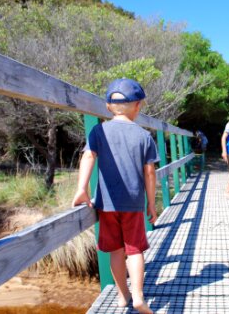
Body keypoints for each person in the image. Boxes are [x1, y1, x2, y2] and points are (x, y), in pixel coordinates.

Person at [72, 78, 159, 313]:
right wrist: (151, 204)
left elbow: (88, 156)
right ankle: (139, 296)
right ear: (138, 106)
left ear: (108, 106)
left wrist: (82, 188)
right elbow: (150, 173)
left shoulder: (98, 131)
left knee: (116, 251)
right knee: (135, 250)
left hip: (106, 204)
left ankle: (122, 295)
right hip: (132, 204)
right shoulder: (144, 136)